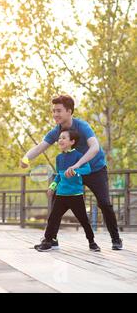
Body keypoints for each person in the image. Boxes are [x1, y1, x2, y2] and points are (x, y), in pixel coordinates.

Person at [21, 95, 123, 250]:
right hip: (71, 173)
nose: (55, 114)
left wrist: (77, 165)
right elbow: (40, 147)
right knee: (57, 198)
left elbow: (95, 147)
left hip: (94, 170)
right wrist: (26, 158)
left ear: (69, 111)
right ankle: (51, 239)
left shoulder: (82, 126)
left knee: (104, 203)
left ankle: (116, 239)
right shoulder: (56, 132)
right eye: (53, 111)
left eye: (59, 111)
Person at [34, 129, 100, 252]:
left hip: (75, 195)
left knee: (84, 220)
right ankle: (48, 241)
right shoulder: (59, 158)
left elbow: (87, 169)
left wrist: (75, 170)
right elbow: (59, 175)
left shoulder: (78, 156)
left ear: (72, 141)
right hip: (61, 195)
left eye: (64, 138)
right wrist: (53, 186)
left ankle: (92, 242)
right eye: (59, 138)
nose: (60, 140)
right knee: (53, 218)